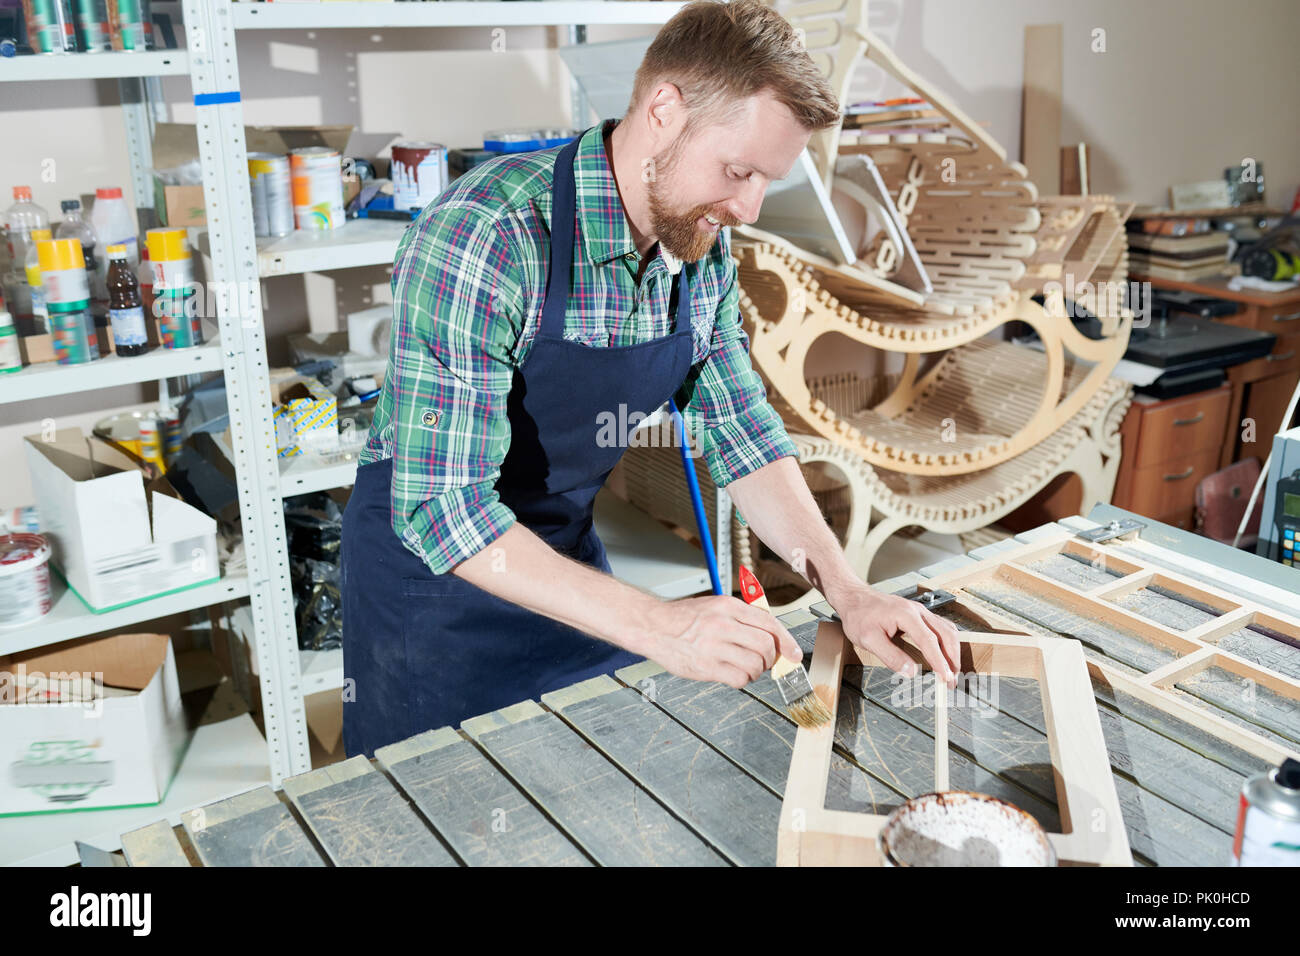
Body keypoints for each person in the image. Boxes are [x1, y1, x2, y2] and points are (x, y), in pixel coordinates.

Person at [341, 0, 960, 758]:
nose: (748, 207)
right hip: (435, 601)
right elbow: (442, 509)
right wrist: (662, 623)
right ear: (664, 110)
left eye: (767, 180)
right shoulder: (489, 234)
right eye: (738, 171)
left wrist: (847, 590)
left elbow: (742, 432)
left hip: (568, 571)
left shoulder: (698, 245)